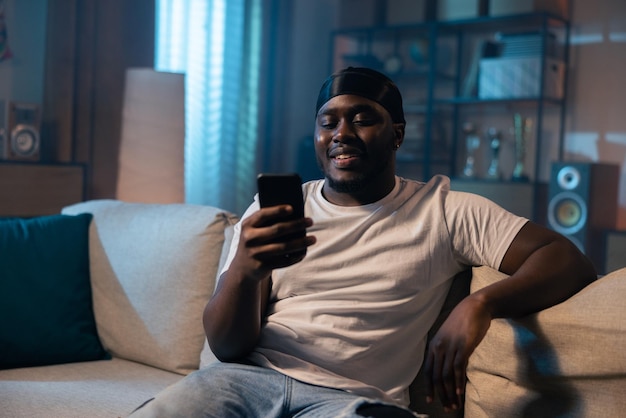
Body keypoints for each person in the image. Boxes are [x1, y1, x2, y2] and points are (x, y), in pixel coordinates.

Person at [131, 67, 596, 417]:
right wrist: (245, 274)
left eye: (361, 119)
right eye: (328, 121)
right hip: (243, 381)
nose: (341, 134)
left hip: (350, 403)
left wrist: (481, 305)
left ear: (396, 135)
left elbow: (565, 259)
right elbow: (228, 347)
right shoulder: (275, 209)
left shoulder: (447, 209)